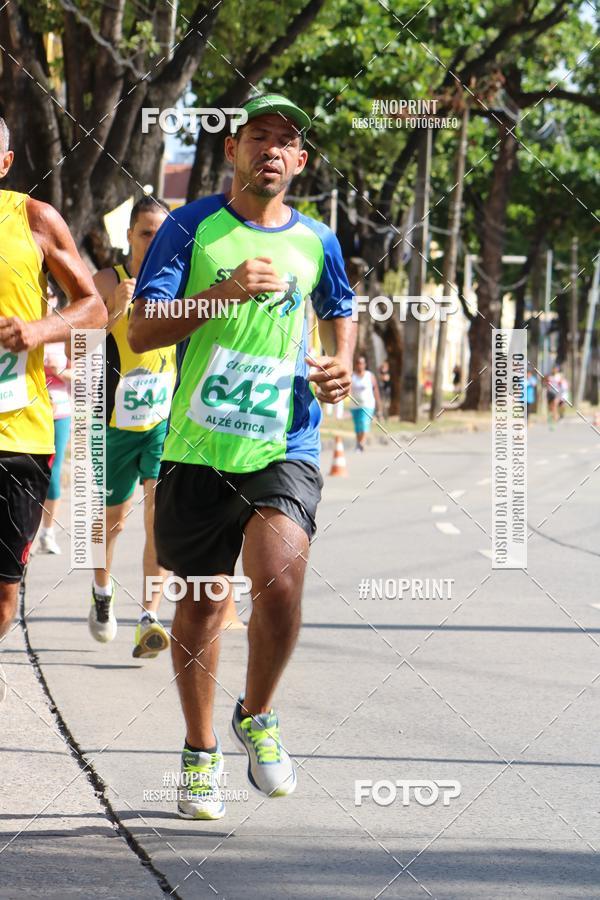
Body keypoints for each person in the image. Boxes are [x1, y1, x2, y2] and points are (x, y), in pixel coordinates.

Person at [128, 93, 355, 819]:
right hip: (198, 447)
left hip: (281, 442)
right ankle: (200, 751)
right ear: (233, 150)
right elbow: (140, 327)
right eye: (259, 136)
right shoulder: (190, 228)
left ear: (301, 162)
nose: (272, 151)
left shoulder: (318, 240)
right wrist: (223, 292)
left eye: (286, 142)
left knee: (281, 578)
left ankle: (256, 714)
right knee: (201, 608)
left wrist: (341, 367)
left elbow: (341, 310)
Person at [0, 118, 106, 700]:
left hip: (17, 433)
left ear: (6, 163)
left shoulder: (34, 220)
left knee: (4, 594)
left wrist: (38, 329)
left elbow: (94, 307)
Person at [89, 196, 174, 660]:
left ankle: (150, 617)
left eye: (162, 234)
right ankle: (102, 592)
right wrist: (114, 312)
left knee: (158, 515)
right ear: (129, 236)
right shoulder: (106, 281)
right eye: (146, 233)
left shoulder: (177, 282)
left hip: (162, 421)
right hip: (113, 423)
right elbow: (74, 347)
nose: (154, 242)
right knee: (111, 524)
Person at [38, 288, 72, 555]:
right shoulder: (27, 324)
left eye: (50, 294)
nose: (46, 298)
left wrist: (58, 371)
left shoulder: (63, 330)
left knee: (52, 472)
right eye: (42, 293)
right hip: (28, 410)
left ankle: (47, 533)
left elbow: (82, 373)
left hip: (59, 410)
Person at [350, 354, 381, 451]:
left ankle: (361, 444)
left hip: (368, 405)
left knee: (364, 423)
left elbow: (375, 390)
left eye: (362, 363)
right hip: (355, 405)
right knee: (358, 426)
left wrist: (379, 405)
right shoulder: (352, 376)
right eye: (358, 363)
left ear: (365, 364)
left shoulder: (370, 376)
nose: (360, 365)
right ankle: (358, 443)